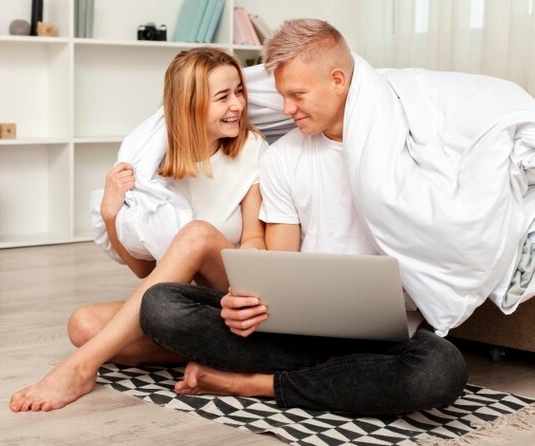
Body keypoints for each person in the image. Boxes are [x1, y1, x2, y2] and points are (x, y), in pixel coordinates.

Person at [138, 19, 469, 416]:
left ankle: (257, 383)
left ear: (338, 80)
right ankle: (340, 375)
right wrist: (242, 301)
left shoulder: (406, 148)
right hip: (297, 334)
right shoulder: (282, 158)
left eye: (297, 95)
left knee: (441, 369)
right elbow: (280, 265)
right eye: (282, 96)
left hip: (384, 335)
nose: (286, 109)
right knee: (160, 305)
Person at [9, 47, 269, 412]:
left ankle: (80, 368)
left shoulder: (252, 149)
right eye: (223, 97)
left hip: (232, 293)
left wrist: (247, 271)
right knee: (82, 325)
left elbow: (256, 237)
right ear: (190, 104)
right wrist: (110, 215)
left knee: (197, 234)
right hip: (185, 307)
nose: (238, 105)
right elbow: (146, 271)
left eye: (239, 91)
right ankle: (224, 353)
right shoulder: (154, 166)